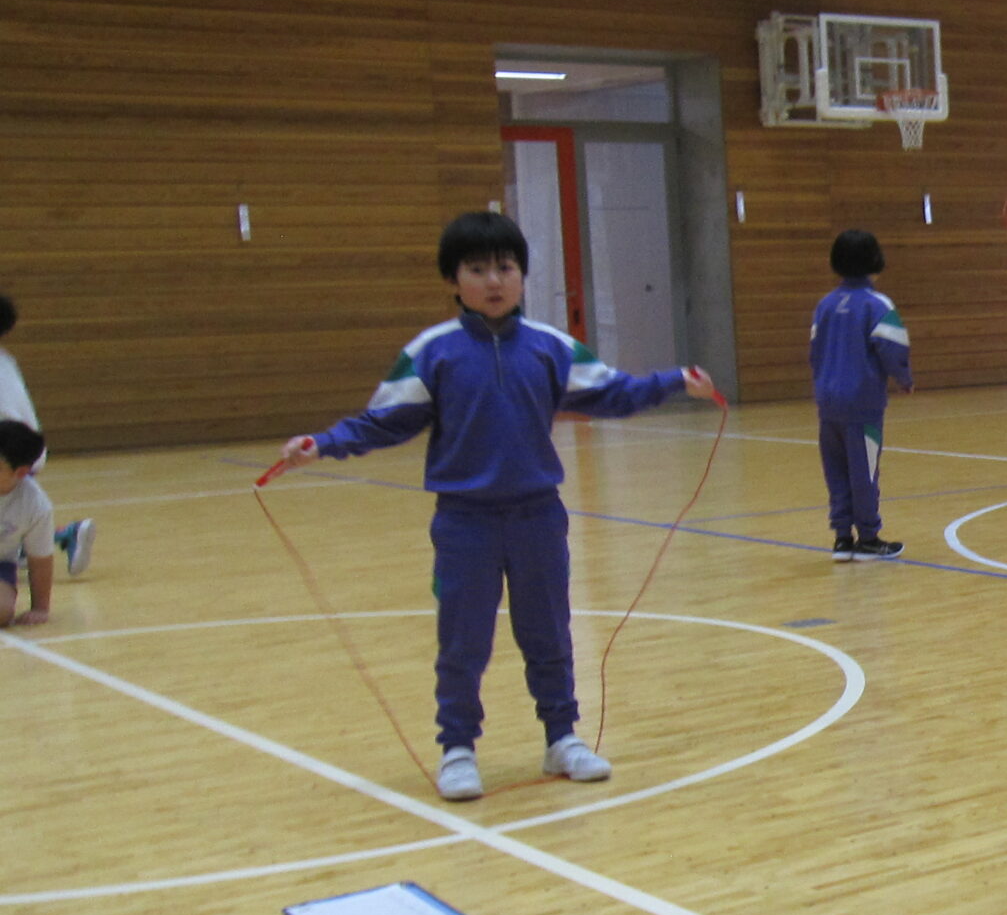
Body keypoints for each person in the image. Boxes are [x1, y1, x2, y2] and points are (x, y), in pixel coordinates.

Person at [275, 212, 717, 802]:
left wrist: (670, 381)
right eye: (477, 269)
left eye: (505, 268)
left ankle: (562, 737)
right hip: (465, 524)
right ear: (453, 281)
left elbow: (611, 391)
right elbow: (385, 422)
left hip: (538, 517)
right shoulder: (431, 353)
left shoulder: (552, 348)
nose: (493, 280)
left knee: (550, 633)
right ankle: (457, 748)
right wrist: (323, 444)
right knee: (464, 640)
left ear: (523, 278)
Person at [810, 228, 913, 560]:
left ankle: (842, 538)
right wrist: (904, 378)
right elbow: (892, 348)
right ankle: (868, 537)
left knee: (836, 470)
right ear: (874, 260)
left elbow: (815, 352)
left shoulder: (825, 305)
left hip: (828, 403)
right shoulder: (877, 304)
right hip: (862, 404)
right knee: (864, 471)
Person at [0, 294, 96, 578]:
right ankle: (66, 535)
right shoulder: (6, 358)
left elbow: (9, 420)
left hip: (13, 448)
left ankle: (62, 536)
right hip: (23, 446)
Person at [0, 419, 56, 629]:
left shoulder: (36, 505)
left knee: (2, 611)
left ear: (21, 472)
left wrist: (40, 608)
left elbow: (40, 559)